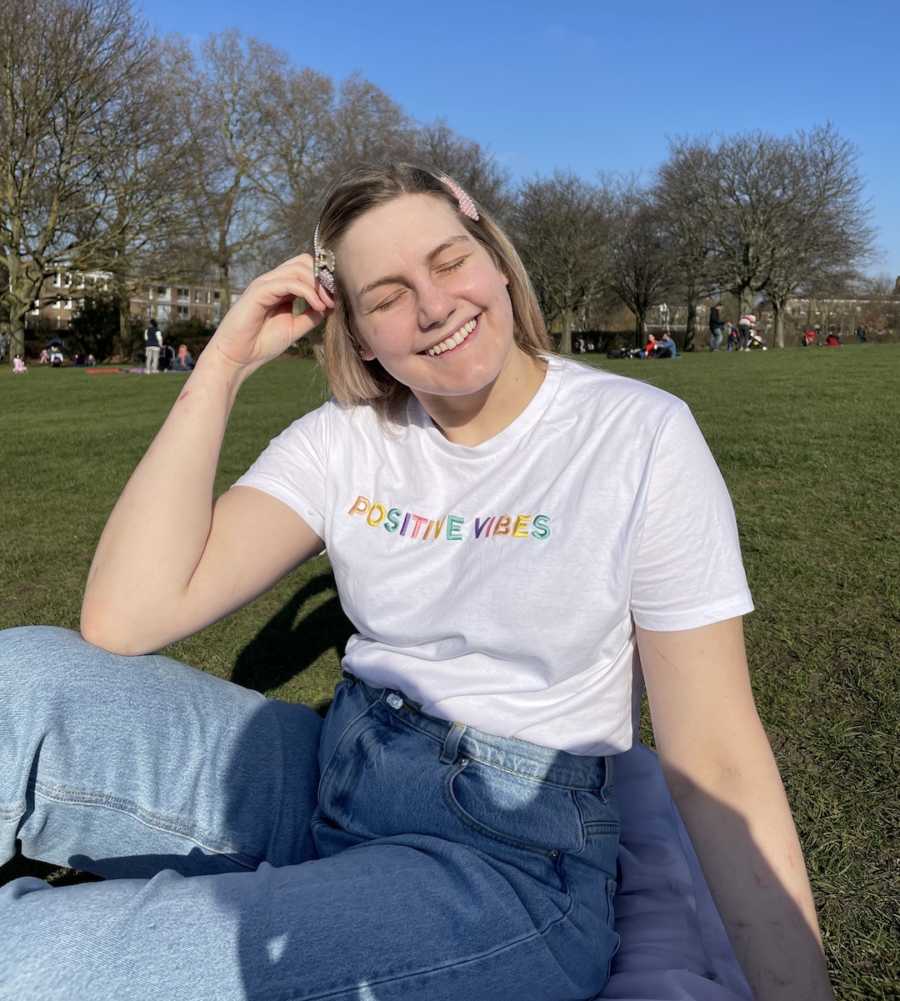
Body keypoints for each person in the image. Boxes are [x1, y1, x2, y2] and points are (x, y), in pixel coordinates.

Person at [0, 164, 834, 1001]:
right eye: (389, 294)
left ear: (497, 262)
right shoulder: (346, 438)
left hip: (509, 859)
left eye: (448, 261)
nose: (434, 306)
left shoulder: (638, 435)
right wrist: (222, 364)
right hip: (336, 764)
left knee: (43, 962)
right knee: (20, 677)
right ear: (359, 333)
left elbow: (718, 753)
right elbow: (127, 615)